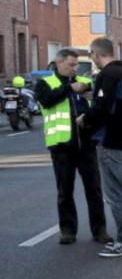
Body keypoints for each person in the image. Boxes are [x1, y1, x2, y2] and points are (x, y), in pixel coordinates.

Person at [35, 49, 109, 246]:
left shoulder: (85, 83)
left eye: (76, 65)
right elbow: (47, 101)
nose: (74, 68)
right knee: (65, 191)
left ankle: (99, 230)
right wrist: (70, 88)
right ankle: (67, 231)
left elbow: (97, 106)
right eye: (71, 65)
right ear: (59, 64)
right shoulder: (46, 83)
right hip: (61, 146)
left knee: (94, 190)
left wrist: (90, 94)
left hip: (86, 145)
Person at [79, 37, 122, 258]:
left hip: (111, 140)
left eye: (91, 55)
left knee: (115, 193)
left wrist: (84, 119)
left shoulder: (107, 75)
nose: (92, 59)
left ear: (97, 54)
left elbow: (102, 109)